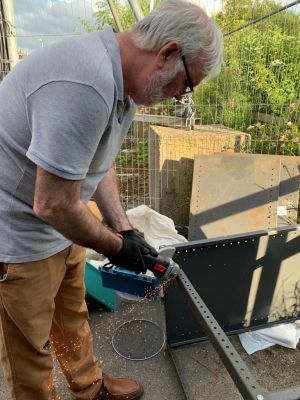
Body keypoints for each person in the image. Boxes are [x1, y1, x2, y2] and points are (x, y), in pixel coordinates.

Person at [0, 0, 223, 399]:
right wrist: (114, 247)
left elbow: (98, 162)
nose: (178, 98)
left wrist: (122, 226)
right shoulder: (85, 83)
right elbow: (51, 202)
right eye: (185, 85)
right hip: (15, 233)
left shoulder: (126, 87)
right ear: (168, 52)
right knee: (30, 349)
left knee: (72, 318)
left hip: (58, 225)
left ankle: (89, 389)